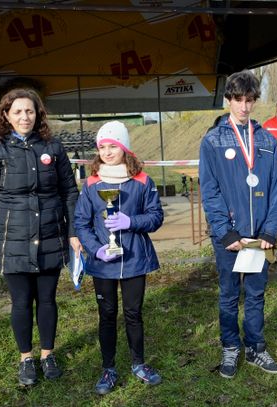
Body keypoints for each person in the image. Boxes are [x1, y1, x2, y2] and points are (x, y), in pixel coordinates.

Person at [0, 88, 80, 386]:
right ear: (6, 115)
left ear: (38, 114)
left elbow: (70, 193)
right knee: (21, 301)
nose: (25, 117)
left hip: (49, 236)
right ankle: (26, 358)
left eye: (30, 111)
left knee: (47, 299)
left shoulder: (54, 147)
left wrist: (73, 231)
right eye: (18, 111)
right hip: (12, 241)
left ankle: (48, 354)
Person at [199, 70, 277, 379]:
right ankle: (230, 347)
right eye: (238, 100)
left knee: (256, 293)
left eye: (250, 100)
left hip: (258, 237)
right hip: (230, 237)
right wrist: (225, 232)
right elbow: (210, 191)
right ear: (228, 100)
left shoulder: (266, 140)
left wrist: (270, 230)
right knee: (228, 294)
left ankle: (255, 347)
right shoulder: (213, 140)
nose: (245, 107)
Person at [73, 121, 164, 394]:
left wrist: (130, 221)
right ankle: (108, 368)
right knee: (107, 314)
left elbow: (156, 217)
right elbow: (81, 223)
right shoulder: (91, 184)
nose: (107, 151)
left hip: (135, 259)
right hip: (103, 263)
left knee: (134, 314)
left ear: (125, 148)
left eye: (113, 146)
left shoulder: (143, 180)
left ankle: (138, 363)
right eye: (102, 147)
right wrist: (95, 249)